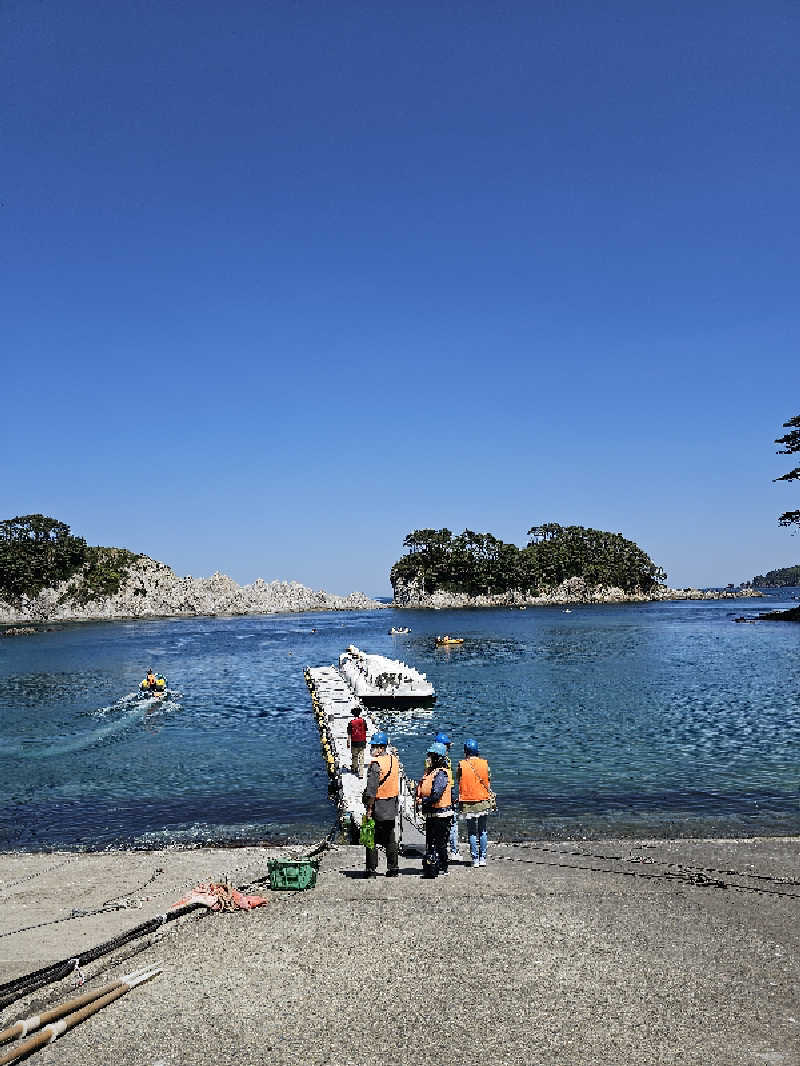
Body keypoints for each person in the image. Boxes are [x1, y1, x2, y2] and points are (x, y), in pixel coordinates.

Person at [363, 731, 399, 878]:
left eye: (374, 746)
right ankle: (393, 868)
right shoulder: (393, 760)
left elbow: (371, 790)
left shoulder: (376, 765)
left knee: (370, 837)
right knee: (390, 838)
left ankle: (371, 870)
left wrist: (369, 809)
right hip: (392, 805)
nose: (372, 749)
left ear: (381, 748)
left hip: (378, 805)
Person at [416, 742, 453, 877]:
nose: (429, 758)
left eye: (432, 756)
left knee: (440, 842)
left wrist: (423, 801)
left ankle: (443, 866)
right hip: (431, 813)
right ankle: (431, 864)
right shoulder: (430, 772)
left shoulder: (441, 774)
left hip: (442, 814)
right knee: (430, 841)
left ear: (438, 758)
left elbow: (436, 794)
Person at [423, 732, 460, 860]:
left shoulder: (442, 761)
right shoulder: (439, 763)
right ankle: (448, 853)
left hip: (446, 795)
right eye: (447, 746)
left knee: (449, 828)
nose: (449, 749)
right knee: (447, 829)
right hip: (442, 799)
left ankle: (450, 851)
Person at [458, 738, 492, 867]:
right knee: (482, 830)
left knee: (472, 831)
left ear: (466, 751)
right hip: (483, 800)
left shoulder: (461, 764)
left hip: (467, 801)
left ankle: (475, 859)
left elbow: (458, 780)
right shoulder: (485, 763)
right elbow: (488, 780)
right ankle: (483, 858)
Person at [346, 708, 368, 776]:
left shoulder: (351, 723)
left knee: (354, 756)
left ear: (353, 714)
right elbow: (365, 730)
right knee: (361, 757)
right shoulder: (363, 721)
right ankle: (361, 773)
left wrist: (348, 742)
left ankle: (355, 769)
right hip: (362, 741)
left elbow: (349, 734)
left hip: (354, 742)